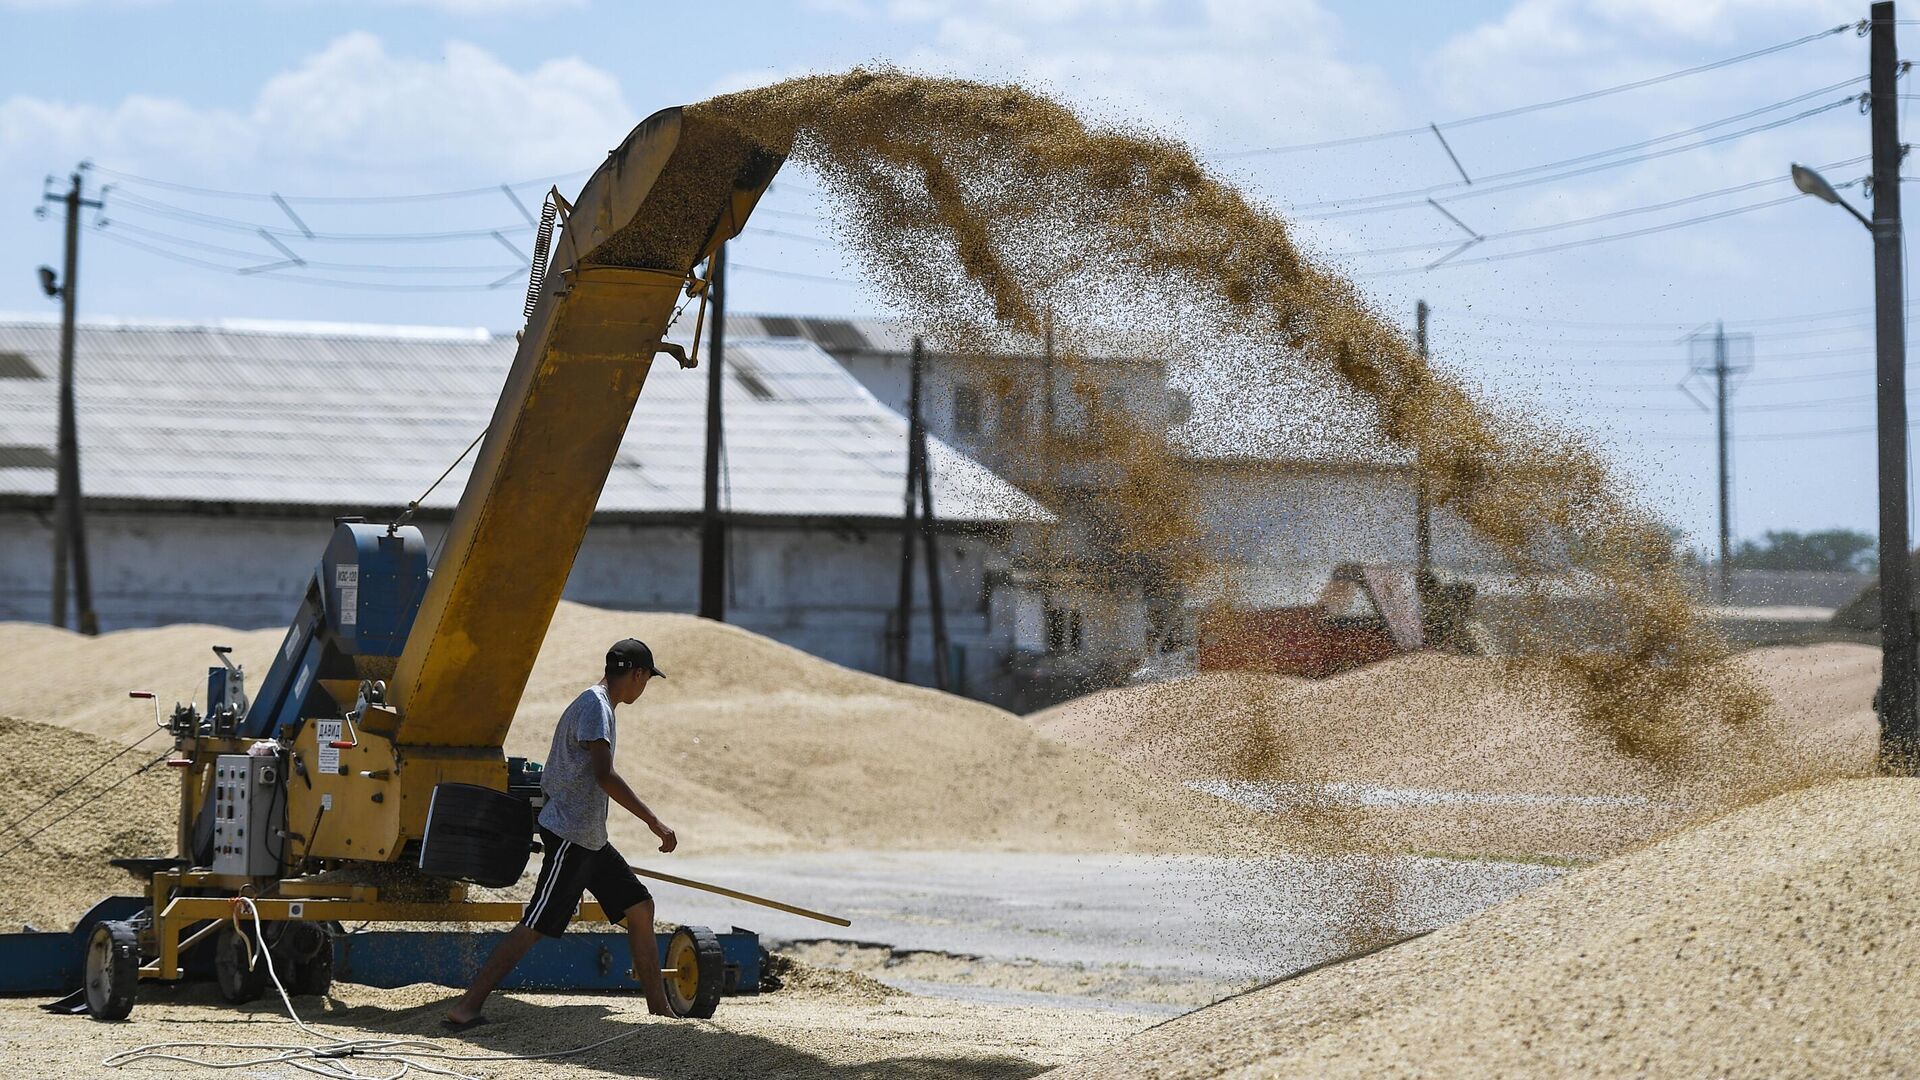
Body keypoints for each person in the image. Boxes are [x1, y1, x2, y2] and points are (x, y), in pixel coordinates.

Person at [444, 638, 679, 1029]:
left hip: (590, 839)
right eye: (646, 679)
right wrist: (653, 821)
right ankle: (467, 1006)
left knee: (640, 909)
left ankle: (660, 1012)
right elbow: (604, 775)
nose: (645, 687)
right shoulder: (596, 708)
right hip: (571, 836)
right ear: (637, 674)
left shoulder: (597, 706)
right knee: (535, 924)